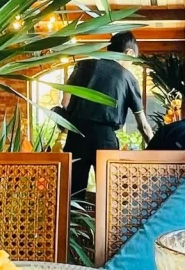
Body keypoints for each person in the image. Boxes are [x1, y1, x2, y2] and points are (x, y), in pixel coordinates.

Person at [61, 31, 153, 195]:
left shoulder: (83, 66)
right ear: (129, 53)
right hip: (104, 139)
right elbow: (143, 126)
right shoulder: (128, 78)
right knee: (108, 195)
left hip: (76, 135)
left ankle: (73, 220)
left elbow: (65, 103)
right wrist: (156, 149)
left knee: (73, 195)